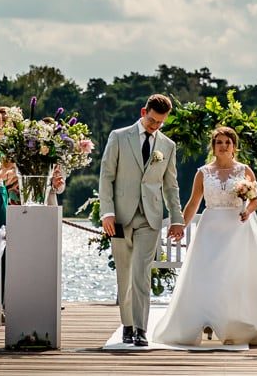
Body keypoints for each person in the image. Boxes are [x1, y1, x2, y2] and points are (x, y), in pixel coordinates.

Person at [153, 126, 257, 346]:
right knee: (208, 275)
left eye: (228, 142)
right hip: (210, 229)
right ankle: (208, 320)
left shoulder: (244, 170)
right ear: (213, 147)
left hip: (238, 229)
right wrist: (180, 224)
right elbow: (193, 203)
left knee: (236, 276)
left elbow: (255, 199)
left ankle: (236, 323)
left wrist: (248, 211)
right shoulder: (203, 173)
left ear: (234, 147)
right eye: (219, 142)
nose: (223, 146)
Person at [98, 94, 184, 347]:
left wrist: (176, 218)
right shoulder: (118, 137)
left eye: (160, 123)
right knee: (124, 273)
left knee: (141, 272)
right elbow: (106, 177)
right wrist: (107, 212)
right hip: (121, 217)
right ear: (143, 111)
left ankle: (141, 328)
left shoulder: (167, 146)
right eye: (152, 120)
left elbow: (171, 187)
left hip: (151, 217)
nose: (155, 126)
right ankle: (127, 324)